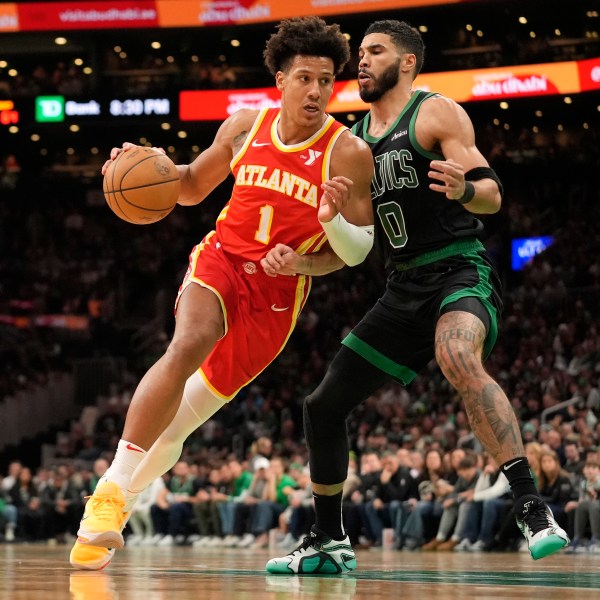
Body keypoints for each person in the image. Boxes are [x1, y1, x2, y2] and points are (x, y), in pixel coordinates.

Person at [70, 16, 374, 570]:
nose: (315, 90)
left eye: (326, 80)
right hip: (222, 260)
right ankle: (110, 493)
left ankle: (113, 512)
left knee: (180, 422)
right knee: (189, 341)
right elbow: (186, 187)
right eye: (304, 77)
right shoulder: (243, 128)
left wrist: (310, 249)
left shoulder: (347, 152)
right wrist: (138, 161)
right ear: (280, 79)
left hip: (277, 297)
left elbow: (354, 252)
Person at [266, 19, 569, 575]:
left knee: (457, 355)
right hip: (401, 285)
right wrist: (307, 251)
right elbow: (352, 250)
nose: (362, 60)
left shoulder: (435, 113)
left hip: (458, 270)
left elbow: (494, 196)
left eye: (375, 51)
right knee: (322, 406)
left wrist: (464, 189)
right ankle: (329, 539)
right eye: (360, 52)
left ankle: (532, 506)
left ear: (406, 63)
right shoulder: (350, 142)